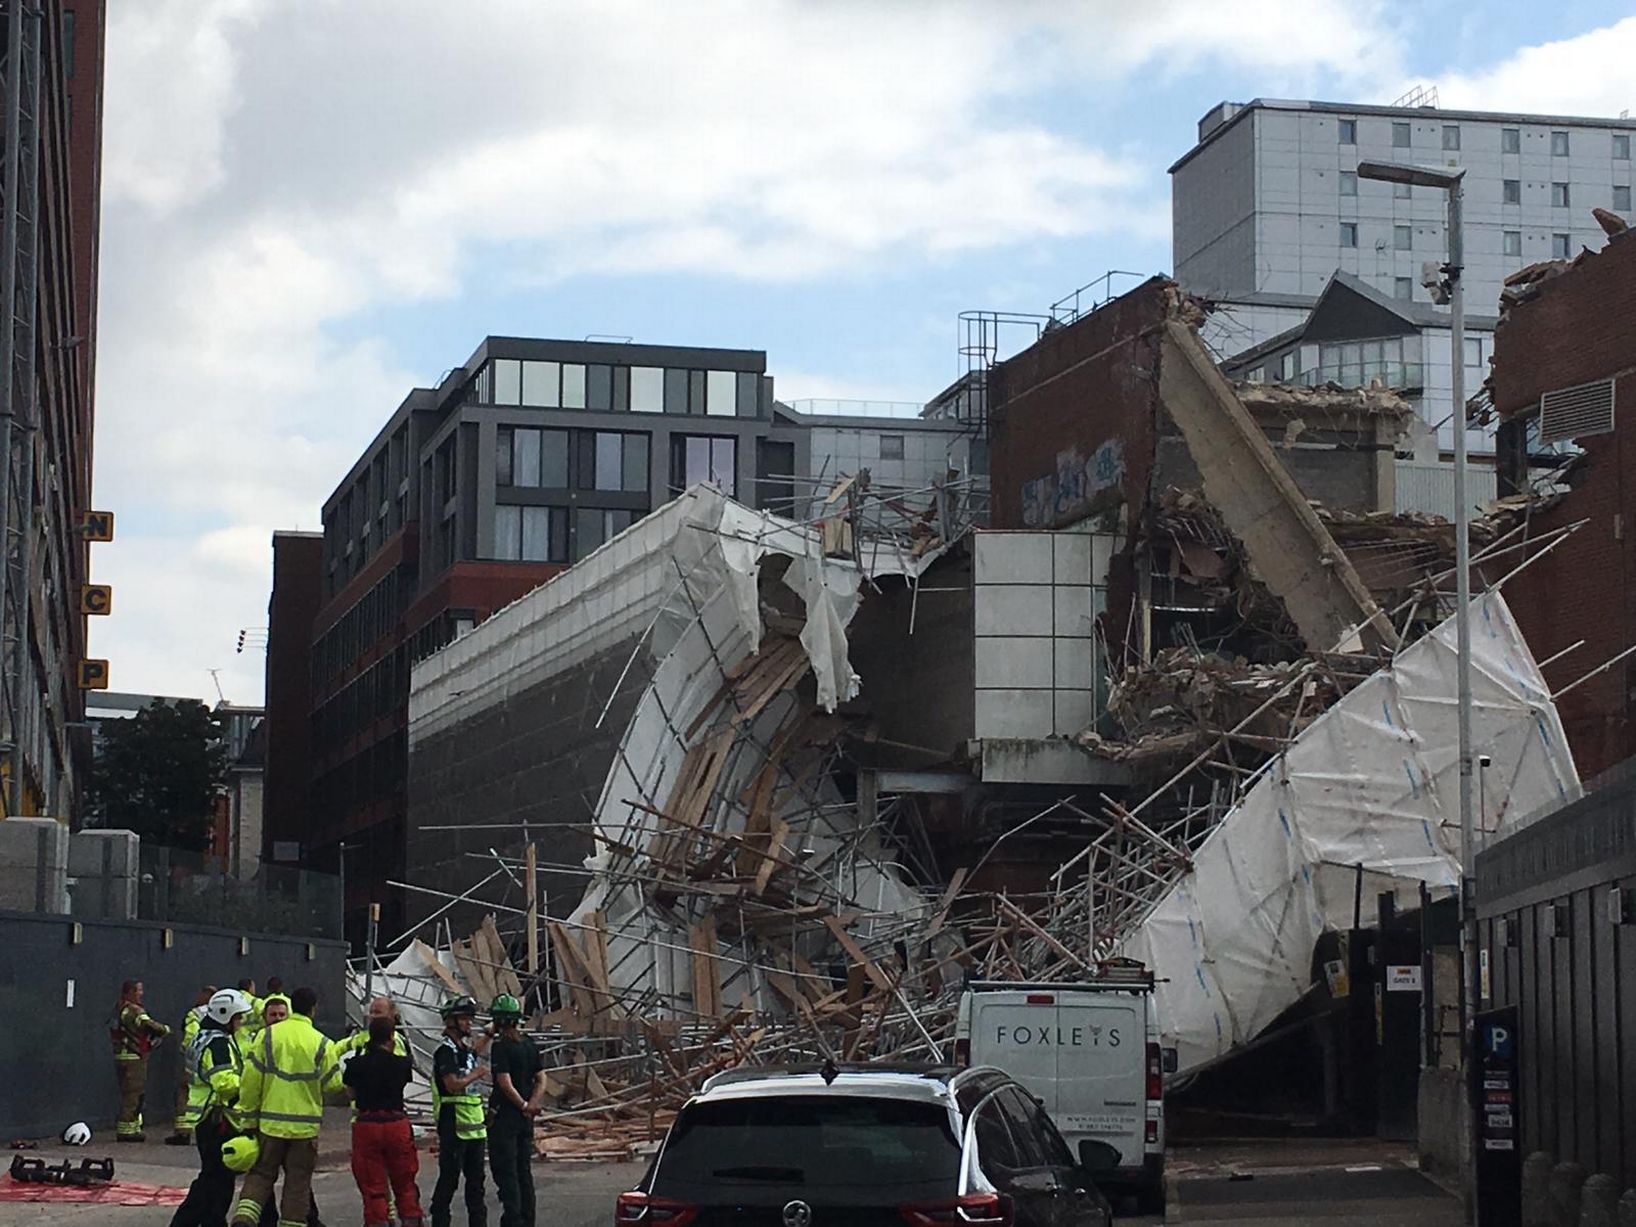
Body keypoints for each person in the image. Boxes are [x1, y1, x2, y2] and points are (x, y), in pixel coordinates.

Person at [231, 987, 340, 1227]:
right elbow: (333, 1085)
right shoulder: (321, 1043)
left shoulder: (267, 1037)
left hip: (269, 1125)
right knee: (297, 1182)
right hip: (304, 1129)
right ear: (314, 1008)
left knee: (260, 1175)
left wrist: (247, 1120)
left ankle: (244, 1219)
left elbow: (250, 1082)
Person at [168, 988, 254, 1227]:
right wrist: (251, 1084)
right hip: (216, 1119)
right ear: (225, 1015)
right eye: (237, 1017)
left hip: (206, 1118)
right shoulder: (218, 1044)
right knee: (215, 1179)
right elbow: (225, 1083)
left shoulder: (202, 1035)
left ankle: (212, 1222)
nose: (240, 1022)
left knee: (217, 1178)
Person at [343, 1013, 424, 1227]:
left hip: (367, 1124)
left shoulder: (355, 1064)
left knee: (373, 1186)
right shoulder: (402, 1064)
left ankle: (378, 1222)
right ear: (391, 1037)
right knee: (405, 1184)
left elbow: (350, 1094)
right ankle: (411, 1221)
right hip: (397, 1124)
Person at [429, 996, 489, 1227]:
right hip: (453, 1126)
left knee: (476, 1185)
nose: (469, 1024)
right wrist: (476, 1075)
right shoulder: (445, 1052)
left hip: (474, 1129)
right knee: (449, 1180)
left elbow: (473, 1053)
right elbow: (452, 1084)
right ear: (451, 1021)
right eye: (464, 1018)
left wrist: (491, 1033)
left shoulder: (463, 1049)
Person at [486, 993, 544, 1227]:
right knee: (524, 1171)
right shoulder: (529, 1044)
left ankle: (513, 1220)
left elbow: (504, 1082)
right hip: (524, 1119)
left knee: (506, 1171)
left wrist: (520, 1104)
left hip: (505, 1118)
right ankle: (528, 1220)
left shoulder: (501, 1047)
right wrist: (531, 1104)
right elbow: (541, 1078)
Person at [111, 979, 172, 1142]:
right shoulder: (135, 1011)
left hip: (120, 1056)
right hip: (135, 1058)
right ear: (130, 992)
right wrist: (165, 1029)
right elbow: (148, 1025)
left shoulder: (118, 1009)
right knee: (134, 1094)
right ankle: (127, 1131)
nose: (141, 994)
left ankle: (132, 1127)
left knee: (127, 1093)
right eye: (138, 990)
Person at [167, 986, 217, 1146]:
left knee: (184, 1091)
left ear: (205, 996)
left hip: (196, 1061)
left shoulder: (195, 1013)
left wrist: (188, 1053)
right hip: (216, 1059)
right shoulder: (221, 1013)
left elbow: (191, 1036)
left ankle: (183, 1131)